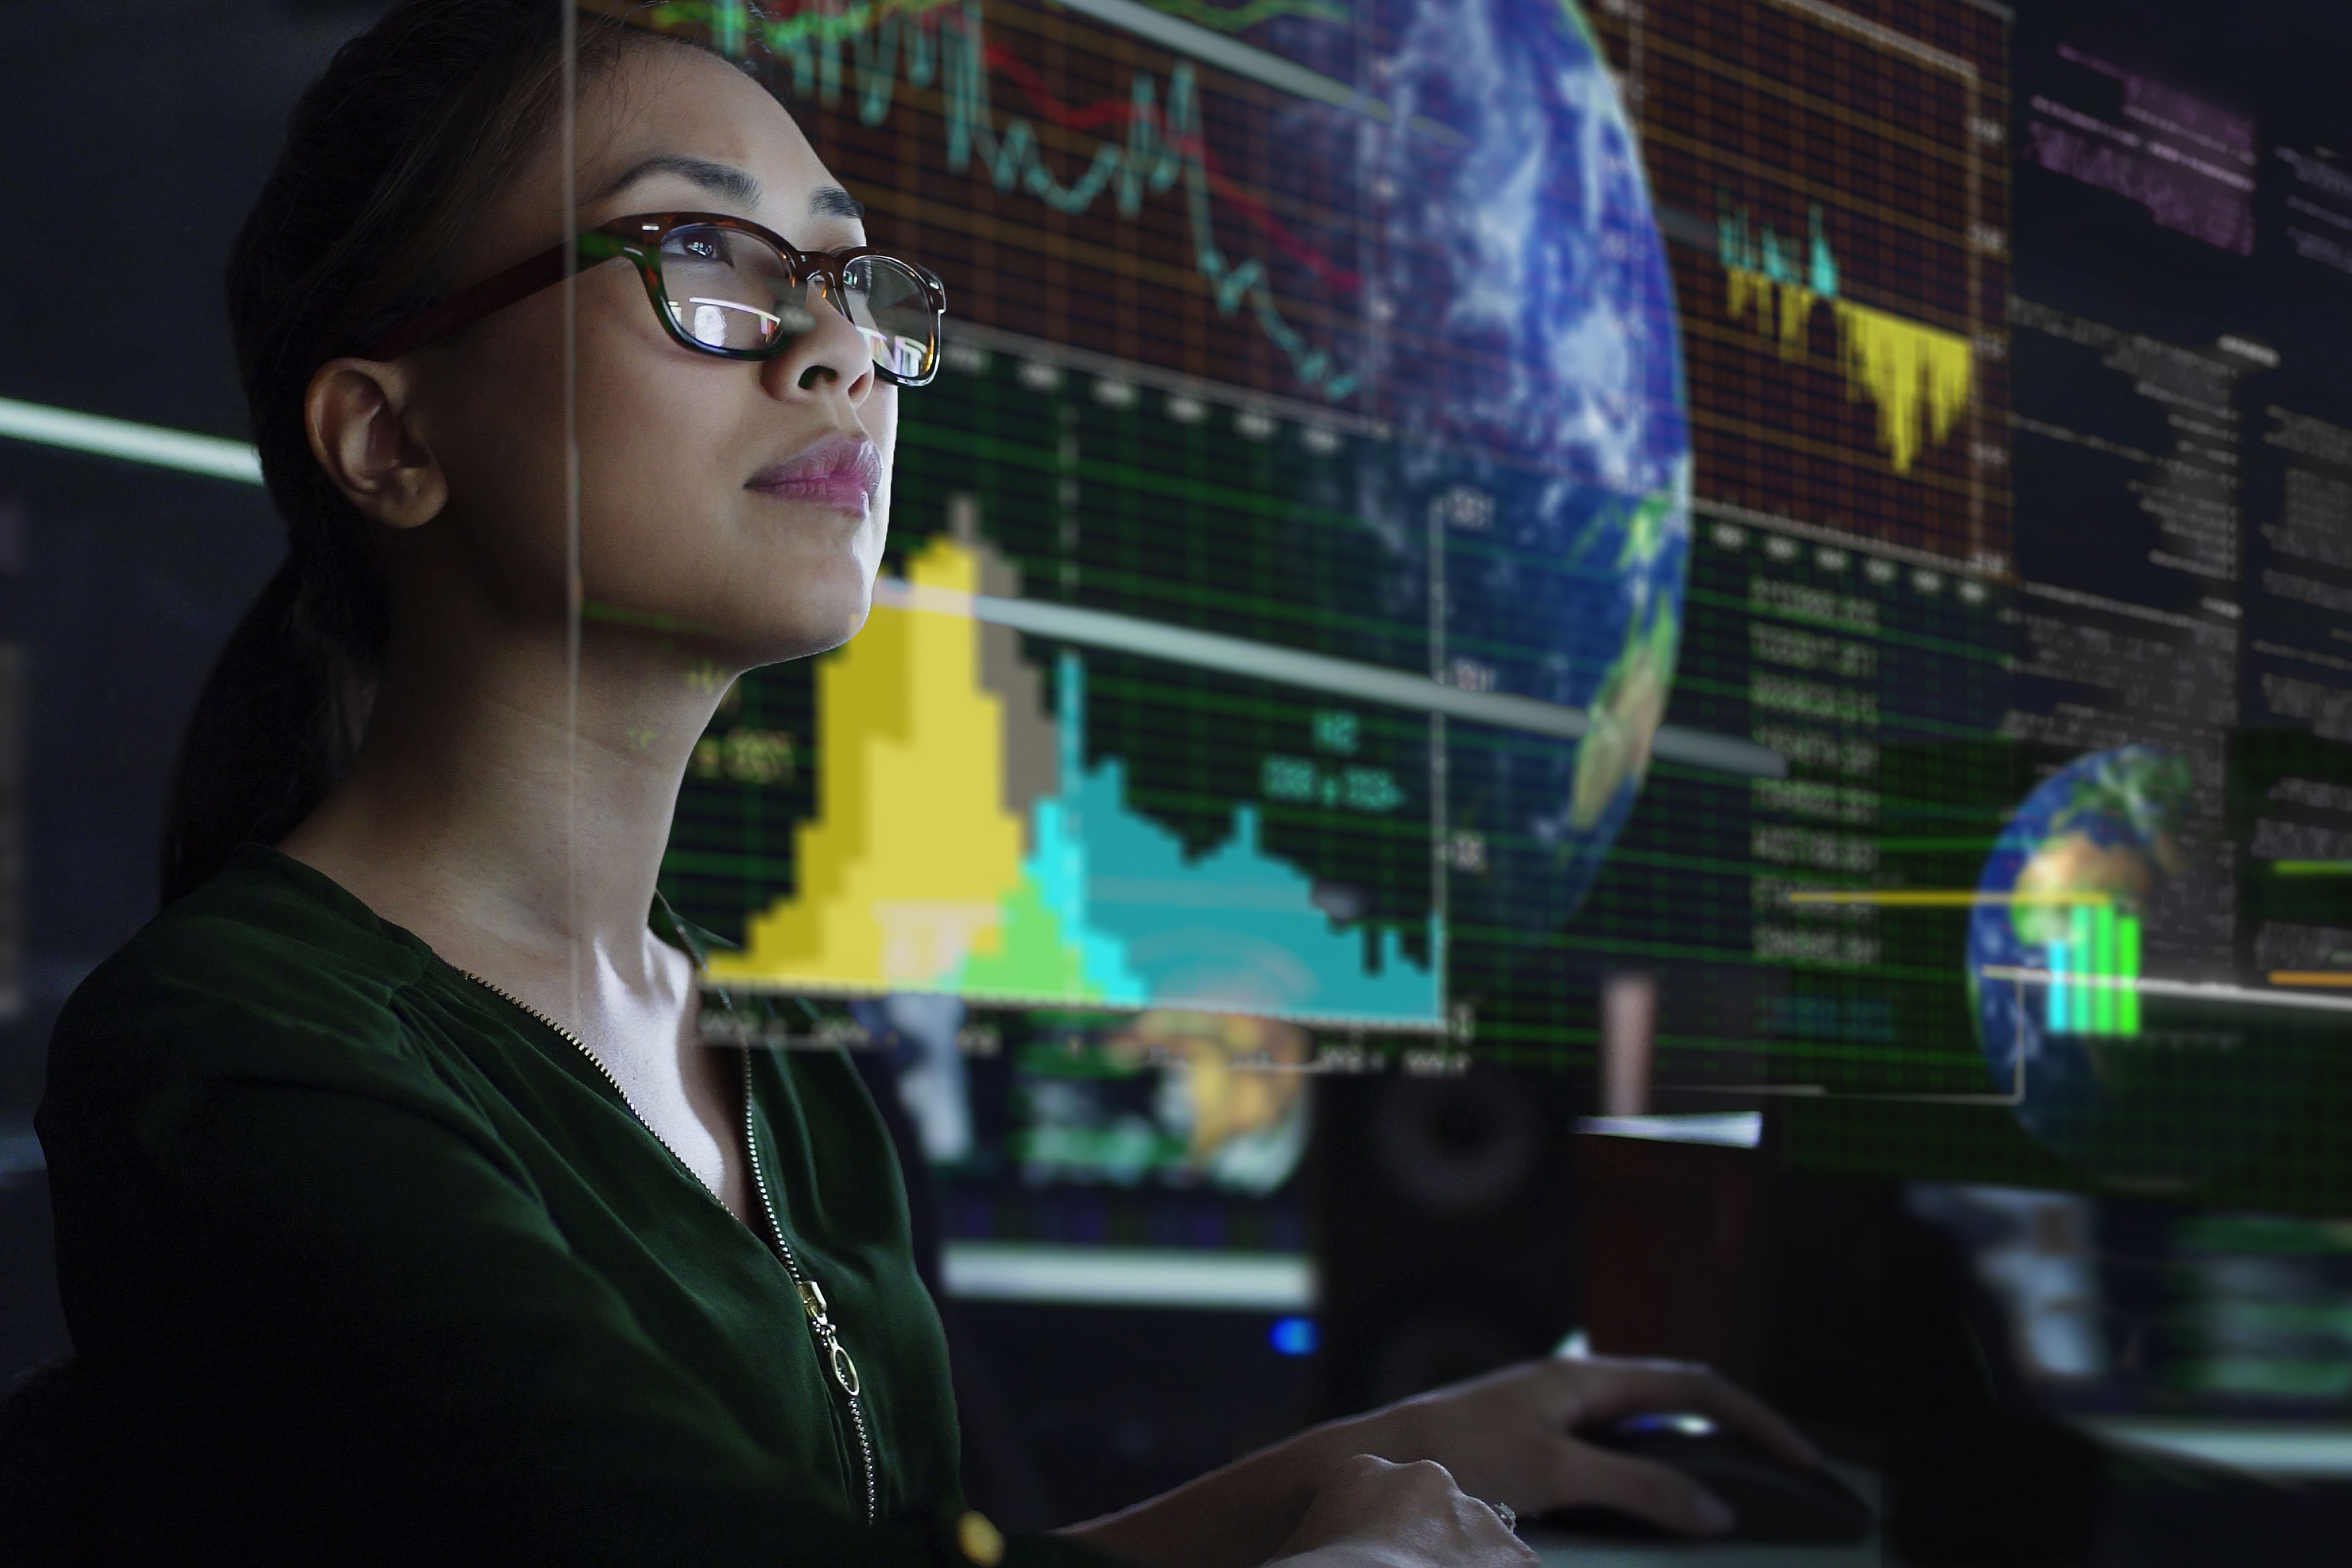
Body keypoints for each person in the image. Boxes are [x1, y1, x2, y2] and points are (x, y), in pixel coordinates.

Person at [32, 2, 1819, 1562]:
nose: (839, 358)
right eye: (705, 262)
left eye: (853, 282)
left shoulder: (772, 1058)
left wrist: (1342, 1477)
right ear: (390, 438)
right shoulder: (236, 1052)